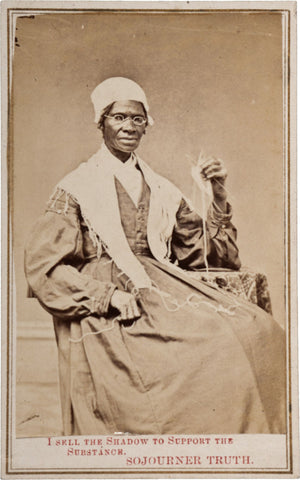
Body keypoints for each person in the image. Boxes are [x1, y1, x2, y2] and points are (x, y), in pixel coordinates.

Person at [24, 77, 286, 436]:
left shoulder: (162, 189)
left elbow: (211, 256)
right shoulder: (75, 187)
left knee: (258, 331)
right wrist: (107, 295)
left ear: (147, 125)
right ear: (101, 122)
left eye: (137, 119)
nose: (129, 127)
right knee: (212, 346)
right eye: (118, 118)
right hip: (110, 297)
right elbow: (45, 269)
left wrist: (219, 195)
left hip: (160, 281)